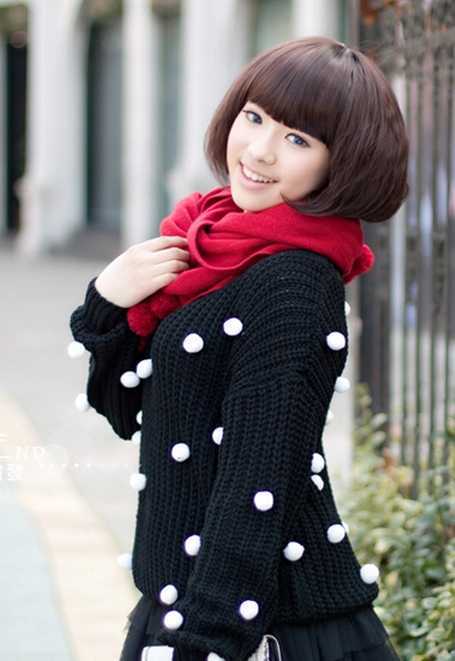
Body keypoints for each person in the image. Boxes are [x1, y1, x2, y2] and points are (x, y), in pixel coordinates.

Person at [69, 36, 408, 661]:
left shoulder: (294, 282)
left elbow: (257, 485)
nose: (258, 150)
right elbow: (125, 411)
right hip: (185, 601)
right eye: (254, 118)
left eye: (297, 139)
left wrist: (203, 645)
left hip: (255, 623)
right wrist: (107, 303)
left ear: (341, 164)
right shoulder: (210, 243)